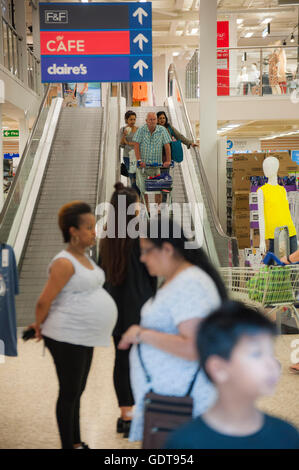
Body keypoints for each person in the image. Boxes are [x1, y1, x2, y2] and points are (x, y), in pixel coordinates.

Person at [118, 217, 228, 441]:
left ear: (167, 249)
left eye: (147, 251)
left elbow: (194, 346)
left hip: (184, 404)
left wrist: (142, 334)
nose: (142, 258)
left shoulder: (189, 284)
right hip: (171, 401)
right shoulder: (178, 280)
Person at [27, 201, 117, 449]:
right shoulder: (64, 262)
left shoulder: (85, 258)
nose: (93, 232)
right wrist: (38, 326)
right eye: (88, 227)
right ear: (73, 231)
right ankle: (69, 445)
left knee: (77, 391)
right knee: (69, 393)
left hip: (83, 336)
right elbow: (44, 301)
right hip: (66, 335)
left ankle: (76, 442)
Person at [166, 301, 299, 449]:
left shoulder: (287, 436)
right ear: (218, 369)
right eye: (257, 354)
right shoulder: (184, 442)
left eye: (271, 353)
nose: (273, 365)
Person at [99, 182, 157, 438]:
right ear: (132, 207)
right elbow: (152, 273)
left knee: (121, 361)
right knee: (142, 363)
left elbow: (102, 273)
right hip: (140, 308)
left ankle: (126, 415)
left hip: (114, 310)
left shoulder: (107, 236)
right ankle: (142, 415)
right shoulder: (142, 235)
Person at [157, 111, 198, 203]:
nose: (162, 120)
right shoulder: (154, 129)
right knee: (156, 185)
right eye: (160, 118)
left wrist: (190, 143)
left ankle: (163, 204)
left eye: (163, 118)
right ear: (157, 120)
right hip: (155, 160)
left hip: (166, 159)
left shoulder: (169, 128)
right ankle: (158, 205)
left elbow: (179, 136)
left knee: (164, 183)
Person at [133, 112, 172, 209]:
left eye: (154, 119)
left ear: (157, 120)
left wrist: (168, 160)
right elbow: (136, 145)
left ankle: (158, 209)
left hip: (156, 165)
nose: (152, 121)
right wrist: (139, 160)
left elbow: (167, 146)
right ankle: (146, 209)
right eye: (150, 119)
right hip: (143, 166)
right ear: (146, 121)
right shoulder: (141, 130)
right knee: (143, 189)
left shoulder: (162, 130)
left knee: (158, 190)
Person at [119, 111, 139, 194]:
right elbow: (121, 144)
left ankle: (138, 196)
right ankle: (135, 197)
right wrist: (124, 135)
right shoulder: (123, 129)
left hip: (137, 156)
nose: (133, 121)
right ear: (126, 120)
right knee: (132, 177)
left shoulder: (138, 129)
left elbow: (139, 143)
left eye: (134, 119)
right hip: (127, 156)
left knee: (138, 177)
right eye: (131, 119)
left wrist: (129, 143)